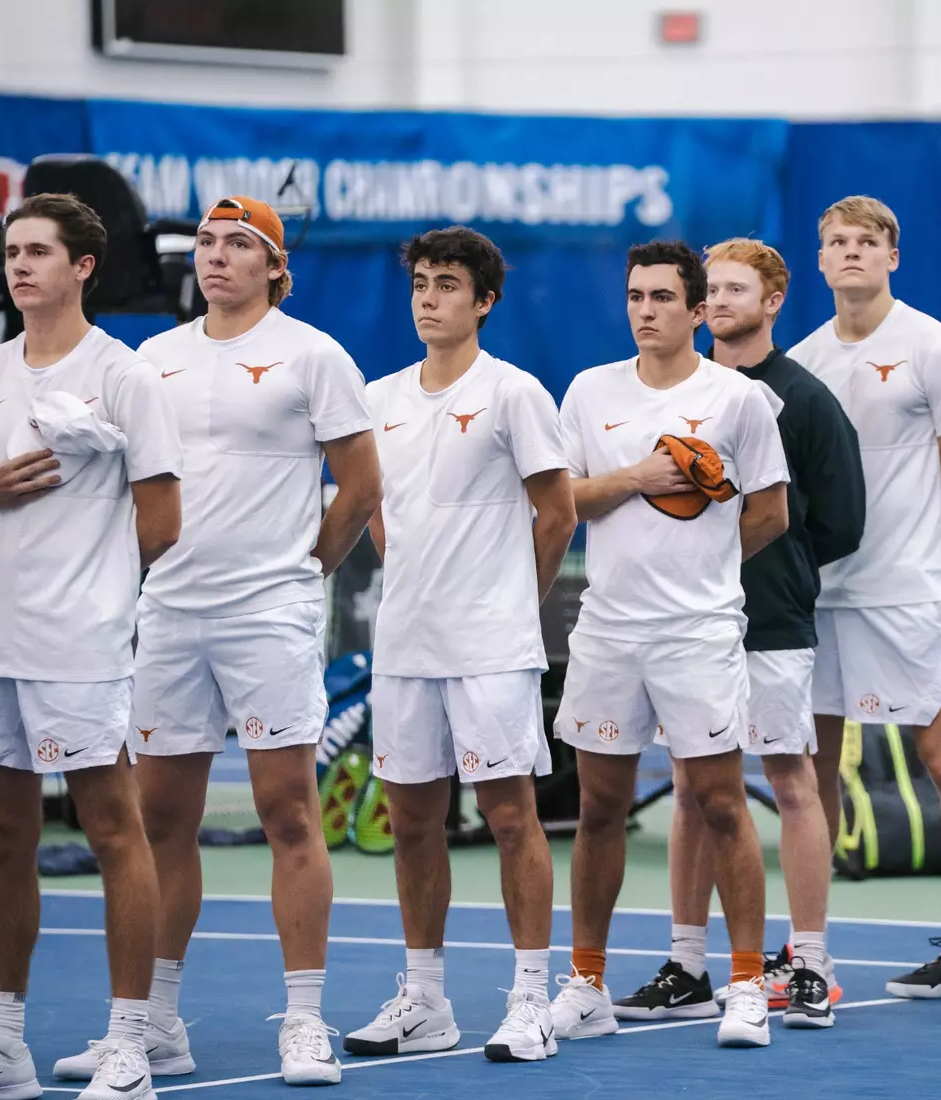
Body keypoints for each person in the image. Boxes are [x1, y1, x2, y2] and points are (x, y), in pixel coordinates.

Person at [53, 196, 381, 1087]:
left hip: (268, 615)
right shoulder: (152, 359)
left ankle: (305, 1020)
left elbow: (360, 485)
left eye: (241, 244)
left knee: (287, 812)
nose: (217, 256)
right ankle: (156, 1022)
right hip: (168, 613)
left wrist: (302, 571)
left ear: (275, 266)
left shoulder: (314, 355)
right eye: (206, 242)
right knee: (161, 820)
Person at [0, 193, 184, 1100]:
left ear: (83, 267)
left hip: (81, 643)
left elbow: (164, 520)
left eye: (40, 251)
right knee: (1, 837)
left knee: (114, 831)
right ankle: (2, 1046)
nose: (20, 265)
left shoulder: (126, 375)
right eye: (12, 251)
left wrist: (96, 589)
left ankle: (125, 1044)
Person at [612, 239, 863, 1027]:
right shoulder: (677, 392)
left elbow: (840, 521)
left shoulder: (802, 399)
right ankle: (688, 963)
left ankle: (812, 964)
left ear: (774, 298)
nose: (717, 301)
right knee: (689, 787)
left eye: (734, 288)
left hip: (772, 618)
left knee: (790, 780)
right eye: (708, 288)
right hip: (686, 625)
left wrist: (736, 562)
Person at [549, 240, 790, 1048]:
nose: (645, 310)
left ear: (696, 311)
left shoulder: (740, 400)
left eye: (662, 298)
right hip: (609, 629)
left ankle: (749, 983)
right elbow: (563, 499)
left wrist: (707, 573)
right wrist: (637, 479)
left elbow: (771, 513)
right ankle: (586, 983)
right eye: (635, 297)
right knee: (599, 808)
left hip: (699, 633)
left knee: (721, 801)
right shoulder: (588, 392)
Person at [344, 226, 576, 1062]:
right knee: (412, 821)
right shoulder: (376, 399)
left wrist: (514, 599)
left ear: (484, 301)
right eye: (421, 284)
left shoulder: (516, 393)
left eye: (448, 285)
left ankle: (529, 1000)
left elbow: (558, 512)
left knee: (511, 817)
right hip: (405, 644)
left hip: (491, 644)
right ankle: (426, 999)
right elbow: (375, 507)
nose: (429, 298)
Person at [789, 196, 941, 1023]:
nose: (850, 253)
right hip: (820, 596)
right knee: (810, 776)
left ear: (892, 256)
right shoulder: (802, 359)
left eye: (866, 242)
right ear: (820, 260)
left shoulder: (932, 345)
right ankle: (811, 960)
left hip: (907, 593)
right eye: (836, 241)